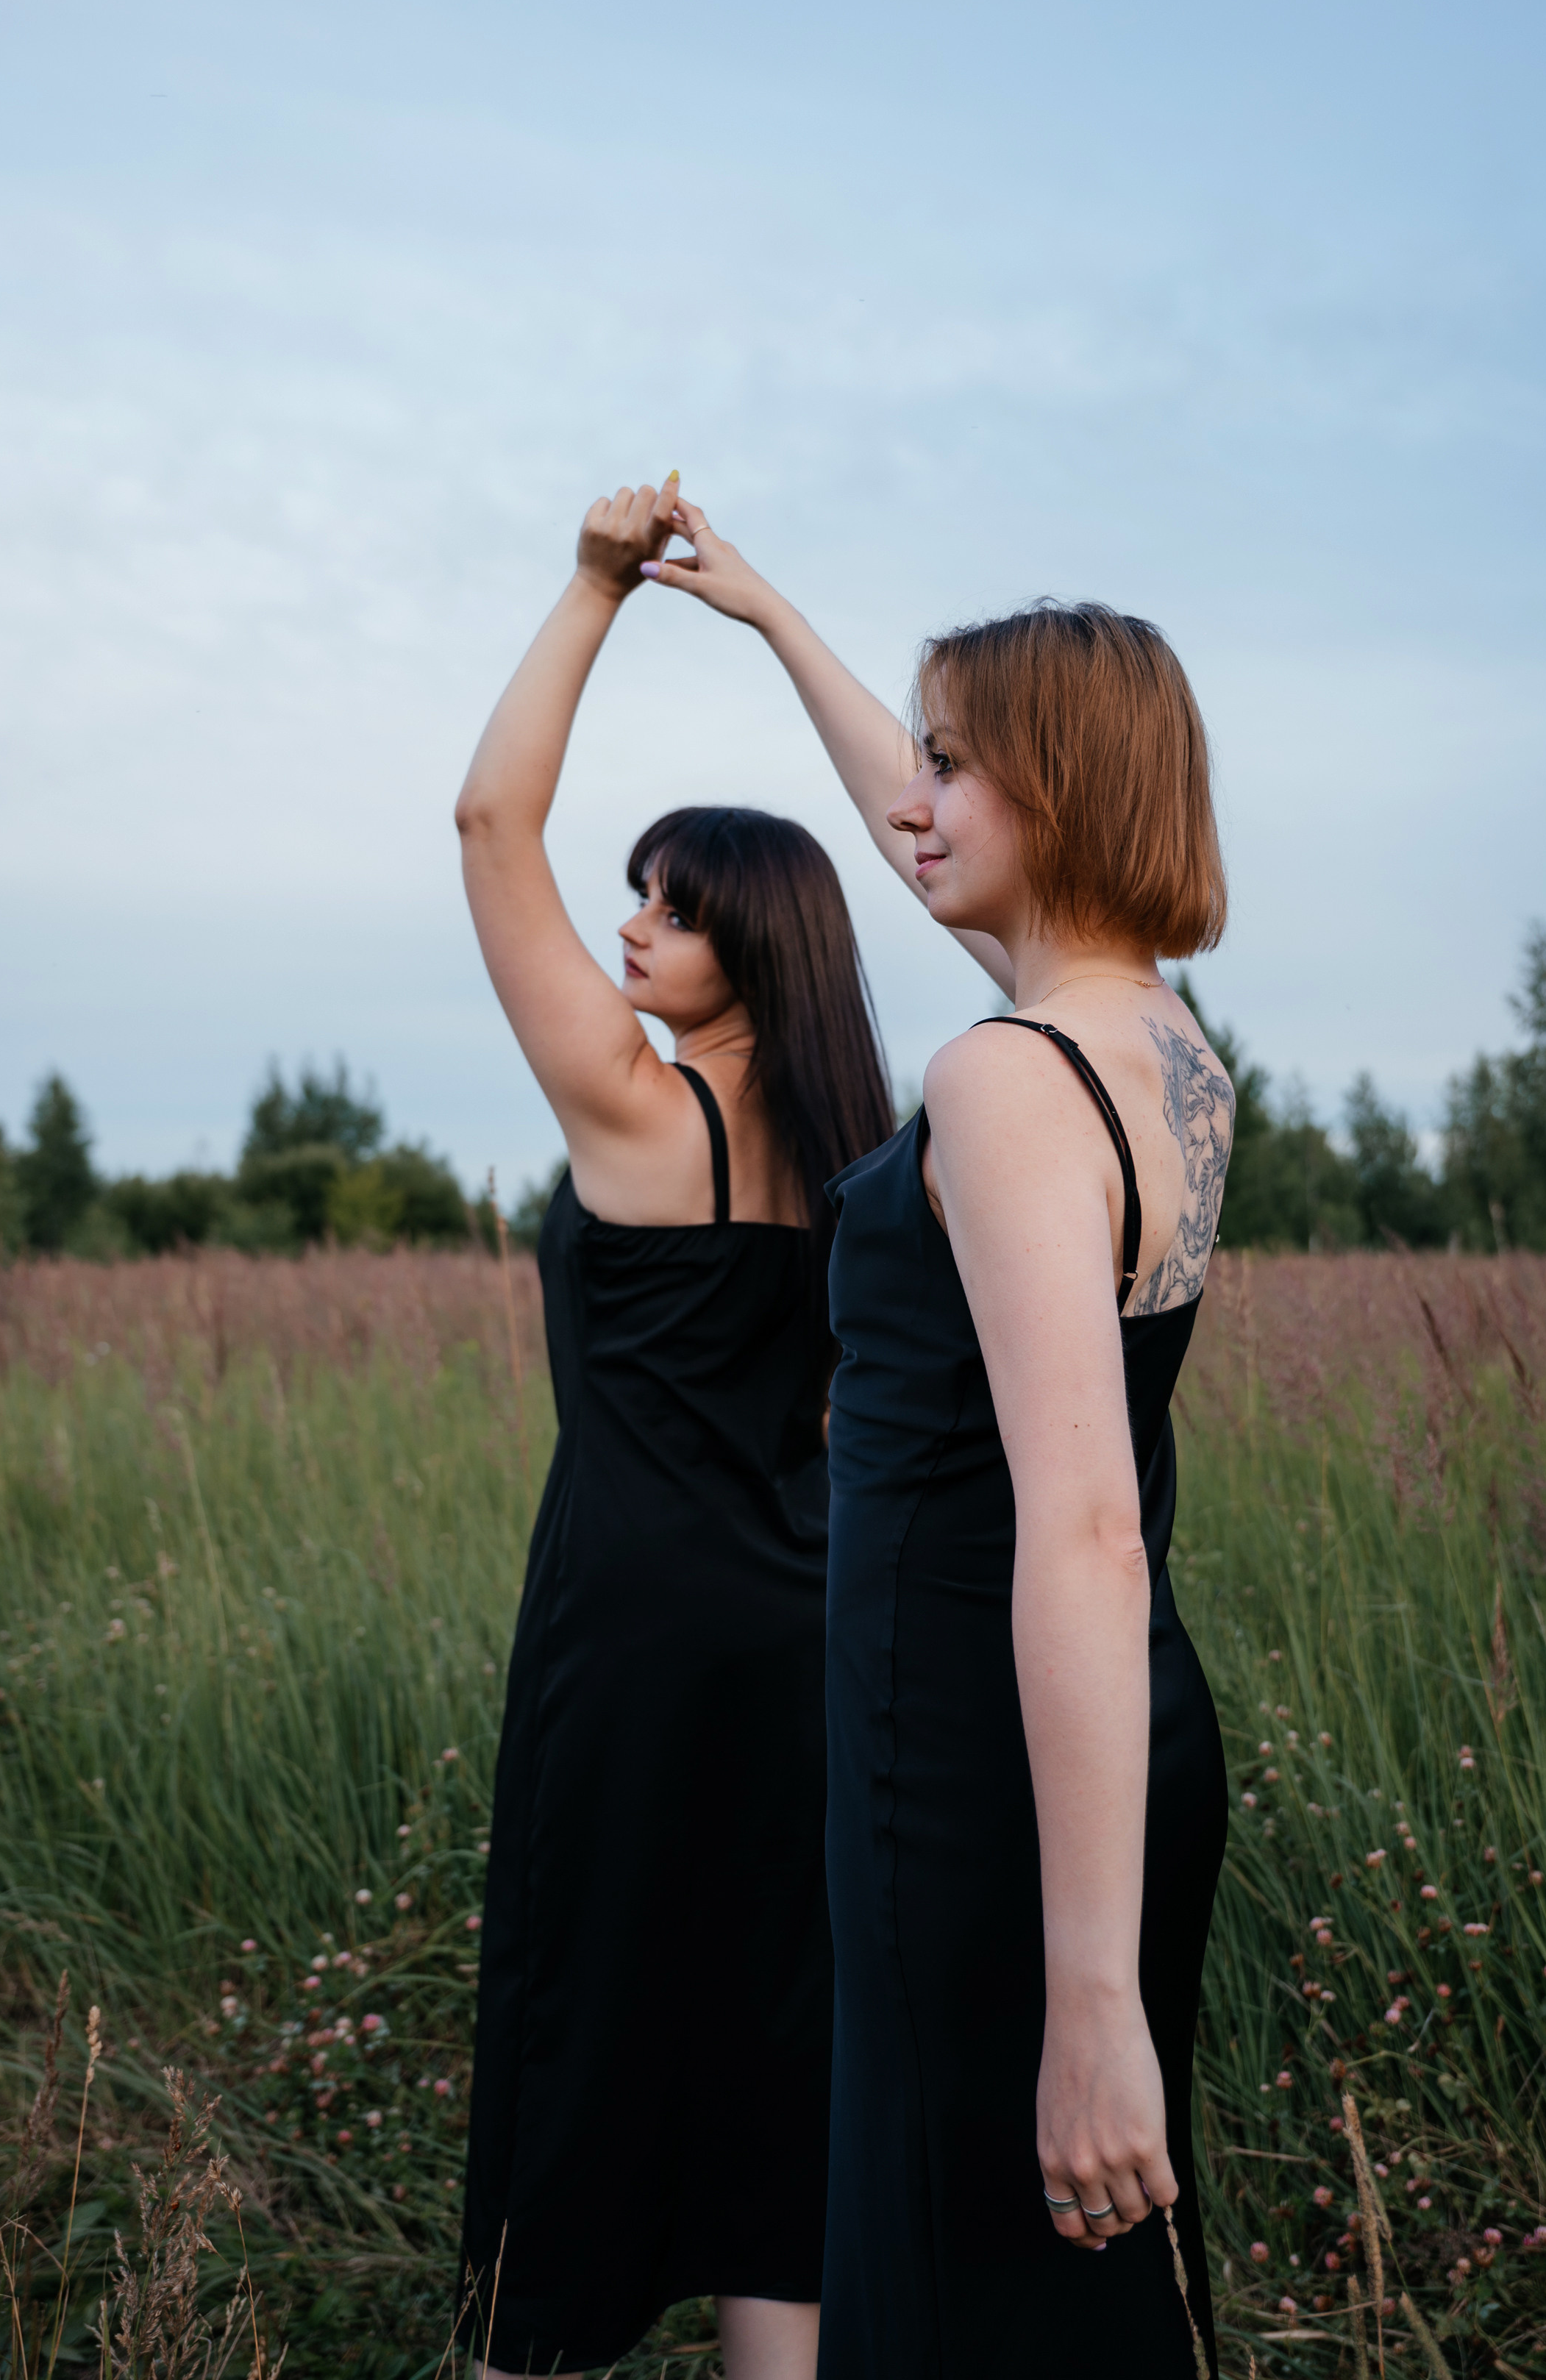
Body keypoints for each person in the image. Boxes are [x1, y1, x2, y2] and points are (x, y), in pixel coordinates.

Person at [643, 505, 1234, 2376]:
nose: (915, 799)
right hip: (1104, 1731)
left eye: (955, 760)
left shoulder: (1004, 1080)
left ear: (1053, 790)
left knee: (975, 2274)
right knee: (1060, 2292)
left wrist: (1090, 1995)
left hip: (980, 1761)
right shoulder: (1162, 1050)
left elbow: (1080, 1528)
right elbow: (932, 843)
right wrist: (769, 622)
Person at [454, 477, 892, 2380]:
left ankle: (526, 2350)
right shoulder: (853, 1156)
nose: (633, 926)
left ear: (752, 952)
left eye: (672, 906)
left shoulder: (648, 1119)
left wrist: (590, 588)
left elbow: (488, 823)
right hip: (800, 1638)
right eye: (633, 894)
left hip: (630, 1637)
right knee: (768, 2060)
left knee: (586, 2022)